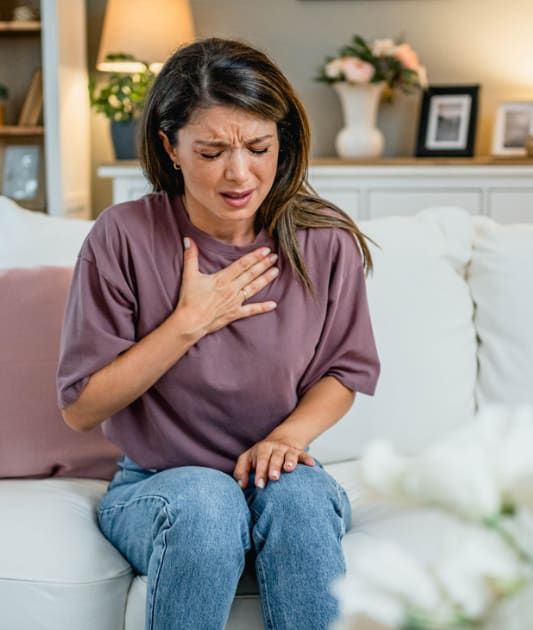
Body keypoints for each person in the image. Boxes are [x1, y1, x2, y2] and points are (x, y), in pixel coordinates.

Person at [56, 38, 380, 629]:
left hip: (277, 475)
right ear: (169, 146)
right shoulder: (123, 236)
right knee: (207, 503)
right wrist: (188, 323)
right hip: (159, 484)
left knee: (302, 500)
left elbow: (344, 370)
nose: (240, 174)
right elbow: (81, 409)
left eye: (258, 147)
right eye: (210, 151)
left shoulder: (324, 241)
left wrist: (287, 439)